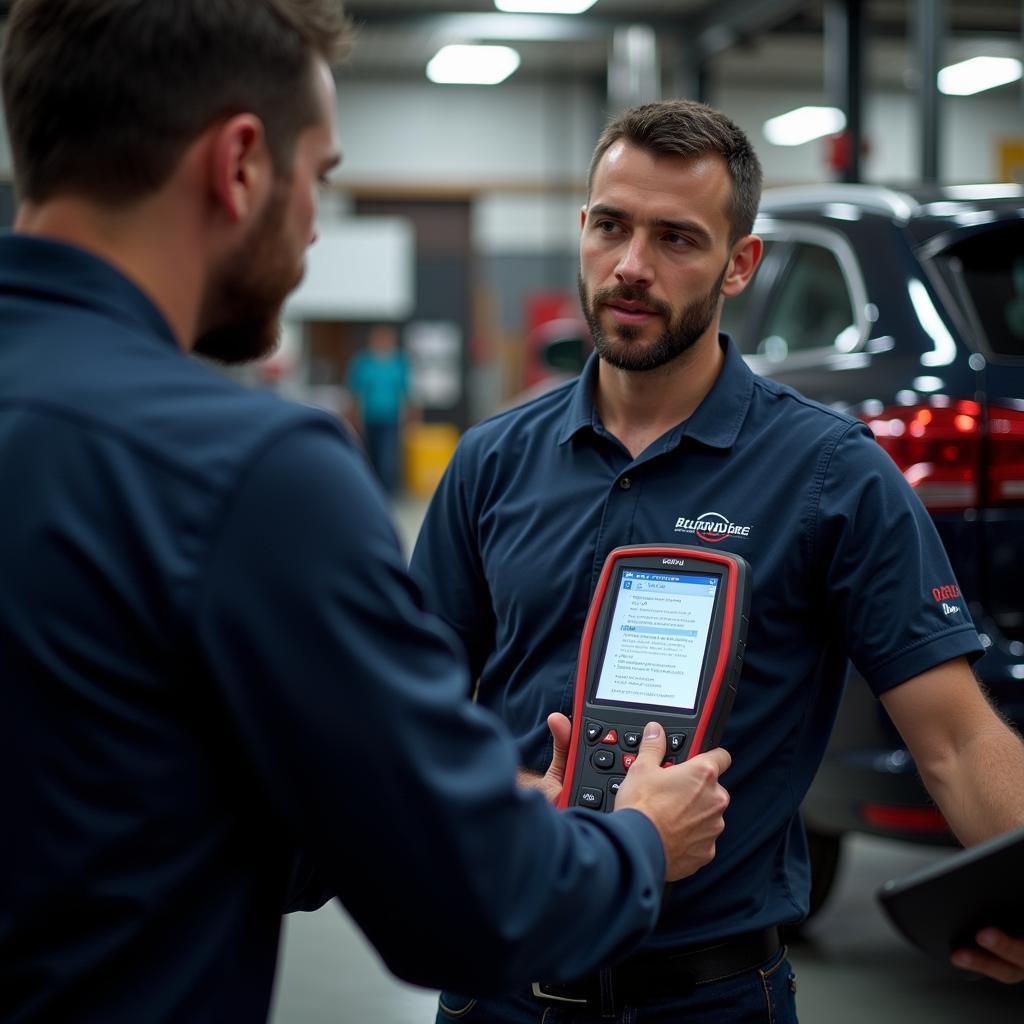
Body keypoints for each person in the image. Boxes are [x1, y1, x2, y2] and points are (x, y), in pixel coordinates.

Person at [0, 6, 739, 1022]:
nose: (313, 222)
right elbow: (473, 911)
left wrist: (433, 795)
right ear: (242, 164)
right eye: (322, 176)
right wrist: (636, 838)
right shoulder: (249, 472)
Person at [409, 98, 1024, 1021]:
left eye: (677, 239)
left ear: (741, 264)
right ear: (582, 228)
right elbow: (409, 712)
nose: (631, 267)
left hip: (710, 996)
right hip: (497, 984)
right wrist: (497, 796)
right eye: (611, 226)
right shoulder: (491, 463)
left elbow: (956, 736)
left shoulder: (830, 474)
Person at [346, 323, 411, 496]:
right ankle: (372, 491)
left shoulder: (399, 362)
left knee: (387, 457)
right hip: (369, 417)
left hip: (391, 417)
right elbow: (356, 392)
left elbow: (407, 392)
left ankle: (388, 493)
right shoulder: (363, 362)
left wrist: (411, 418)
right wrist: (354, 417)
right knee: (370, 456)